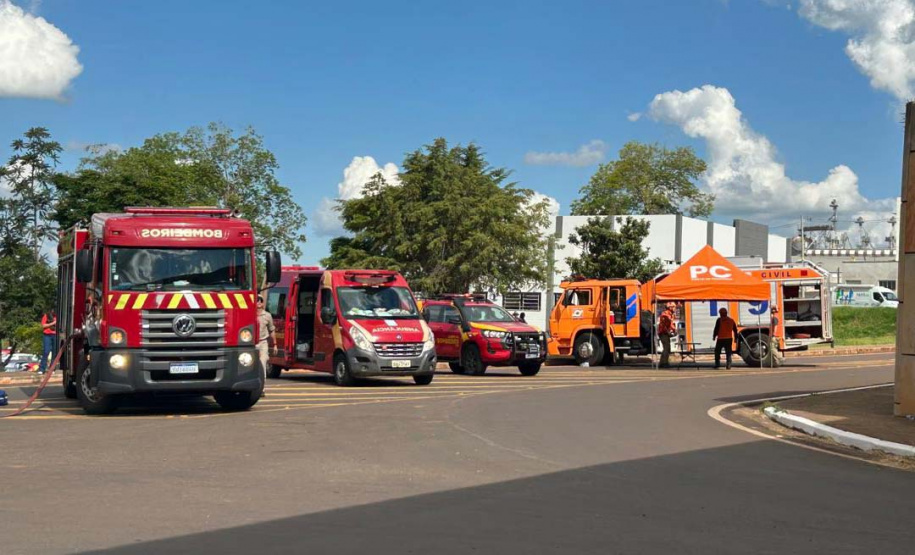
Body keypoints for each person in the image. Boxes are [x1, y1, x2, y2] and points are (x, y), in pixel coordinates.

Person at [257, 296, 276, 383]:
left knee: (263, 363)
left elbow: (272, 330)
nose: (259, 303)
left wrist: (275, 344)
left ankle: (262, 388)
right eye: (257, 301)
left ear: (263, 303)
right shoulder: (249, 314)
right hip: (252, 343)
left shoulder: (267, 316)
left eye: (260, 301)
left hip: (263, 342)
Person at [38, 309, 57, 374]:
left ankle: (52, 368)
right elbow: (43, 325)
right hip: (47, 335)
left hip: (55, 335)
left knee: (54, 352)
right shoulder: (46, 316)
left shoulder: (58, 316)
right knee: (46, 351)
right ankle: (42, 368)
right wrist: (53, 323)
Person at [658, 302, 675, 368]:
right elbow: (664, 325)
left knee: (667, 348)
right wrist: (669, 331)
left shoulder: (670, 314)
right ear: (670, 307)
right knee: (666, 348)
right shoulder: (666, 314)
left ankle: (662, 362)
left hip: (665, 333)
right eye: (673, 307)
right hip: (663, 333)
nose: (674, 308)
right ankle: (664, 363)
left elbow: (671, 324)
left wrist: (673, 330)